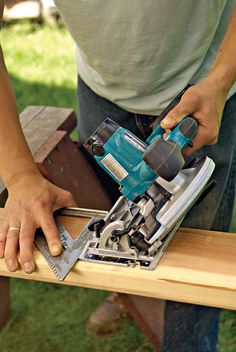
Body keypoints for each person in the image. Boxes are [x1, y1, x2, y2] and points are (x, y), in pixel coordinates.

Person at [0, 1, 236, 351]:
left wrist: (220, 81)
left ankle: (189, 340)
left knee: (195, 269)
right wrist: (20, 175)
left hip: (203, 88)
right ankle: (127, 289)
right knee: (118, 228)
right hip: (102, 89)